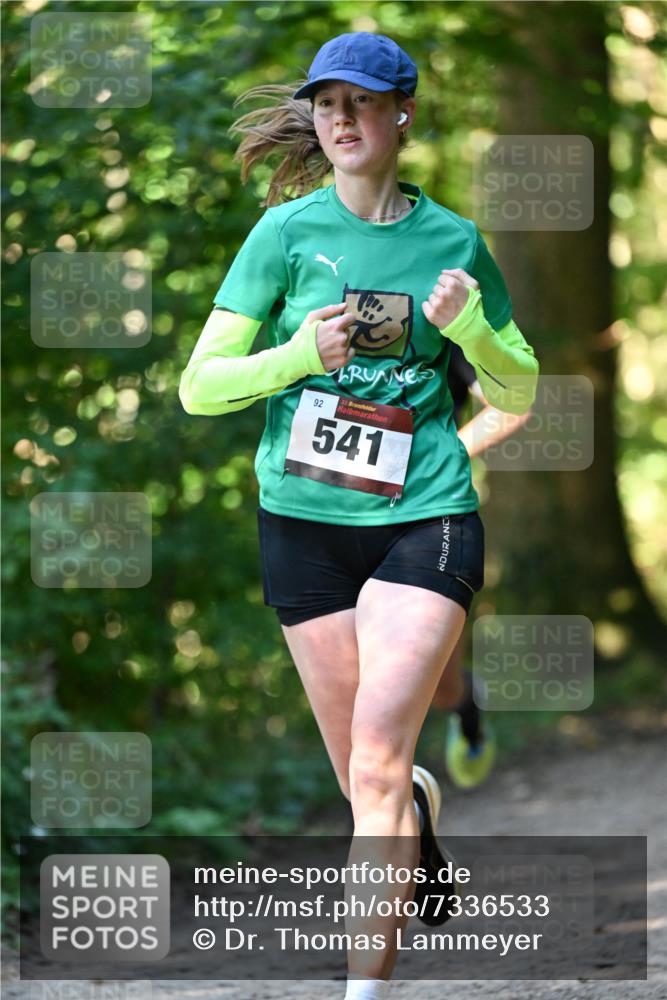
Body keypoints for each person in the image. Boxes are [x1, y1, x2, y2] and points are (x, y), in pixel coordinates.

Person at [179, 31, 539, 1000]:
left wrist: (465, 334)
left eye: (362, 101)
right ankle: (413, 813)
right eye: (326, 103)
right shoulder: (283, 236)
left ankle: (361, 992)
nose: (340, 118)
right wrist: (297, 356)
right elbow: (200, 387)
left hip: (426, 519)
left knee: (375, 765)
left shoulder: (454, 242)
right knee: (364, 782)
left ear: (400, 114)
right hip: (301, 525)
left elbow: (520, 388)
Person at [433, 345, 532, 789]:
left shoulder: (443, 320)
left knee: (441, 688)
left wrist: (445, 455)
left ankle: (466, 704)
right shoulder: (317, 306)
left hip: (428, 510)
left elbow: (510, 405)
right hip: (328, 517)